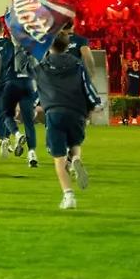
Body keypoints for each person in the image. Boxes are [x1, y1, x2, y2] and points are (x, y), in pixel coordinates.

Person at [34, 28, 101, 210]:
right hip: (76, 112)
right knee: (75, 143)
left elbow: (39, 91)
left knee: (59, 158)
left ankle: (68, 196)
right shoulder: (77, 64)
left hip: (54, 113)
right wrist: (96, 104)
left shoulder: (42, 67)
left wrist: (34, 105)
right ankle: (76, 160)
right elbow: (87, 87)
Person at [0, 13, 37, 164]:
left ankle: (5, 139)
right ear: (3, 31)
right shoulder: (8, 44)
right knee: (6, 113)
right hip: (7, 82)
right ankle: (15, 136)